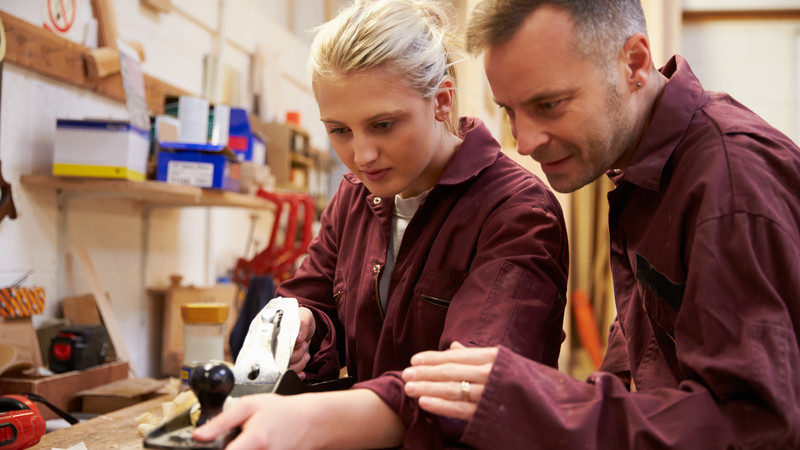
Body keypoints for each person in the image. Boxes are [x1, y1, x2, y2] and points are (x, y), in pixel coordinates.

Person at [401, 0, 800, 448]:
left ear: (635, 63)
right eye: (510, 110)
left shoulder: (730, 186)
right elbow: (649, 337)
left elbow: (757, 426)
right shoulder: (644, 168)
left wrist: (551, 405)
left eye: (549, 104)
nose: (524, 141)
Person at [194, 0, 569, 447]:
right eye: (339, 130)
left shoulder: (518, 211)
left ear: (441, 100)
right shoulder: (354, 196)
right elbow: (310, 297)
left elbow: (464, 393)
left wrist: (310, 422)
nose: (362, 155)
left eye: (384, 124)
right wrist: (304, 328)